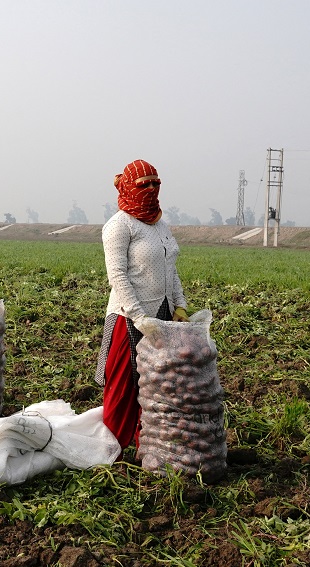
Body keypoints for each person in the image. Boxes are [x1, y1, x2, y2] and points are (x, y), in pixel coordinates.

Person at [95, 159, 189, 453]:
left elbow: (170, 269)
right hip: (127, 315)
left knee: (155, 384)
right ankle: (115, 449)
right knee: (124, 386)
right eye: (143, 184)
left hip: (162, 313)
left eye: (155, 183)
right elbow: (118, 277)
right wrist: (138, 317)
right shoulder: (118, 225)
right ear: (128, 187)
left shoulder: (160, 224)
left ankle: (147, 445)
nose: (150, 189)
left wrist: (180, 306)